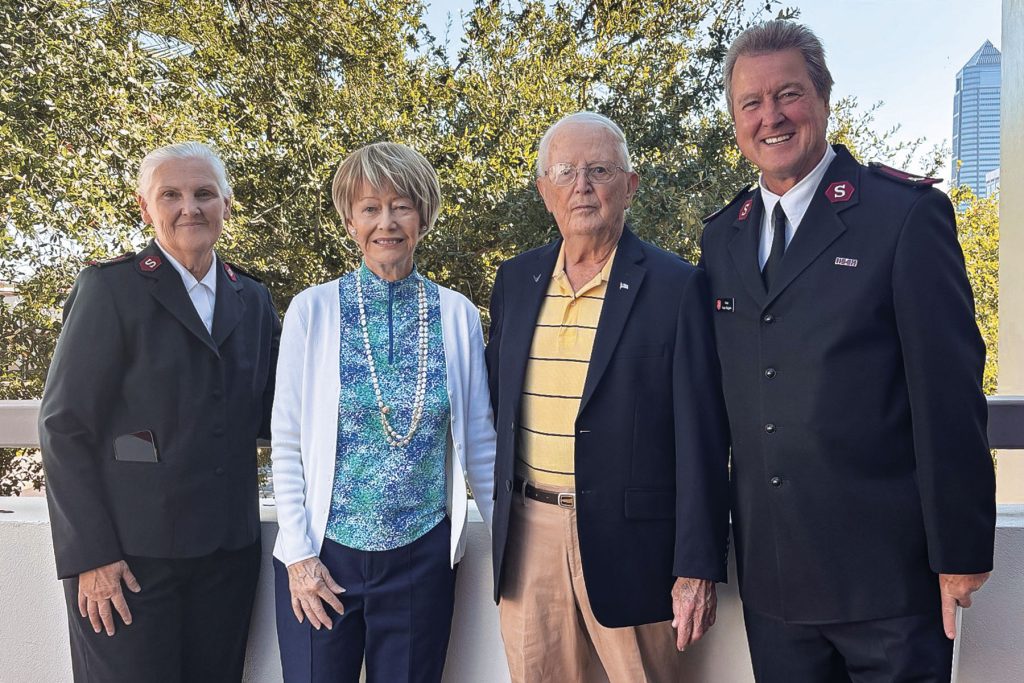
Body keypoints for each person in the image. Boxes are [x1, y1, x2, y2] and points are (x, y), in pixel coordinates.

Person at [699, 20, 996, 682]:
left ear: (824, 98)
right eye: (751, 102)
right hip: (775, 585)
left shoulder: (903, 216)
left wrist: (962, 548)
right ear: (734, 118)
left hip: (889, 580)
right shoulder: (723, 238)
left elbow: (948, 392)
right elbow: (715, 407)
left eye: (788, 94)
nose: (771, 117)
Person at [486, 111, 730, 682]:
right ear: (545, 189)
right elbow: (498, 408)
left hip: (636, 543)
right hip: (529, 536)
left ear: (631, 184)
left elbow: (702, 433)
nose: (582, 186)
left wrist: (697, 567)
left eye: (600, 170)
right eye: (565, 171)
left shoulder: (677, 286)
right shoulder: (515, 282)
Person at [38, 141, 281, 682]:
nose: (188, 207)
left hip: (226, 557)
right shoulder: (112, 289)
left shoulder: (253, 299)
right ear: (146, 208)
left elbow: (279, 411)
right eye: (170, 195)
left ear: (227, 204)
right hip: (127, 563)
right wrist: (90, 557)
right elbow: (64, 427)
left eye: (203, 194)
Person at [270, 141, 496, 682]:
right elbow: (288, 439)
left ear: (423, 216)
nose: (386, 222)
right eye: (370, 208)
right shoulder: (312, 309)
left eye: (402, 206)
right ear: (350, 222)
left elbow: (481, 443)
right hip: (324, 558)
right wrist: (300, 556)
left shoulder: (457, 314)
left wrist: (511, 547)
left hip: (421, 556)